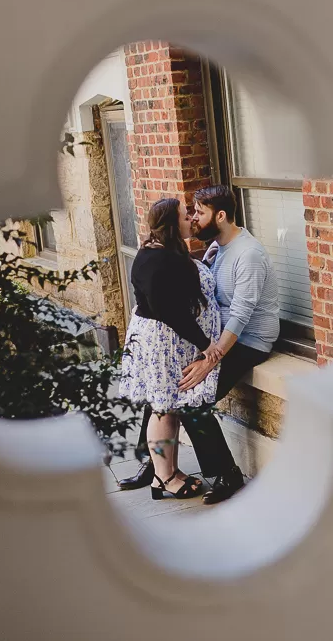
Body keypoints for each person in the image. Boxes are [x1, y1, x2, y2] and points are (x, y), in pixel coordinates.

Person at [119, 185, 280, 505]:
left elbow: (241, 313)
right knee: (162, 388)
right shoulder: (219, 247)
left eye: (199, 213)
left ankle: (227, 473)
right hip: (218, 340)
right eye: (189, 212)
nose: (193, 218)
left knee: (189, 397)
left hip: (247, 340)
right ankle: (154, 465)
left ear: (220, 216)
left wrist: (211, 357)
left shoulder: (248, 254)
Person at [117, 198, 224, 500]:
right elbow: (171, 311)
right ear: (170, 224)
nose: (190, 218)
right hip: (160, 343)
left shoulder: (160, 252)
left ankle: (170, 471)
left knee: (168, 407)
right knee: (163, 409)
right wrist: (207, 346)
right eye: (183, 215)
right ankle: (163, 477)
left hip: (164, 340)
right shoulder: (158, 260)